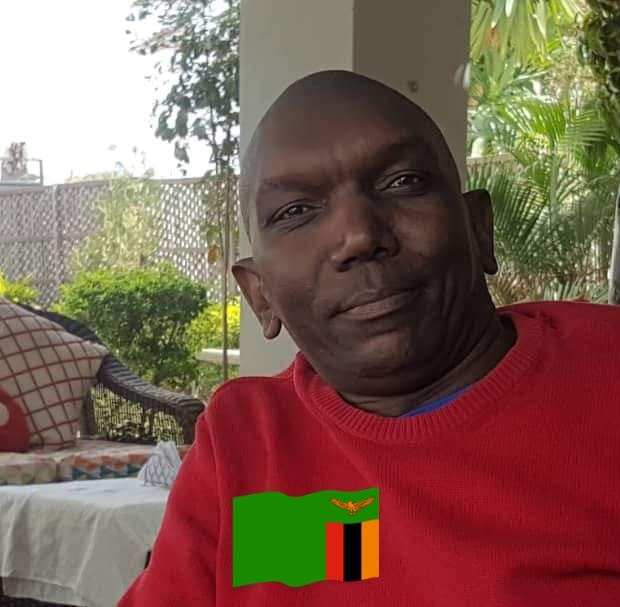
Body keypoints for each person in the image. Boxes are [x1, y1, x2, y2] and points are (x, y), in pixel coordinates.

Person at [118, 70, 620, 607]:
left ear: (479, 228)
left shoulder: (605, 378)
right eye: (295, 212)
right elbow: (361, 558)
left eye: (402, 181)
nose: (358, 235)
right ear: (259, 294)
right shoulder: (246, 442)